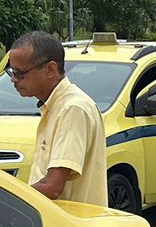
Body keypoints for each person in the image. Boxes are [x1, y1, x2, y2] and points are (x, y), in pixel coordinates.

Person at [7, 31, 108, 207]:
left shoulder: (72, 109)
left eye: (20, 73)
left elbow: (52, 187)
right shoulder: (54, 106)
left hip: (73, 226)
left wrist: (6, 198)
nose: (14, 80)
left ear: (50, 69)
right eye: (11, 72)